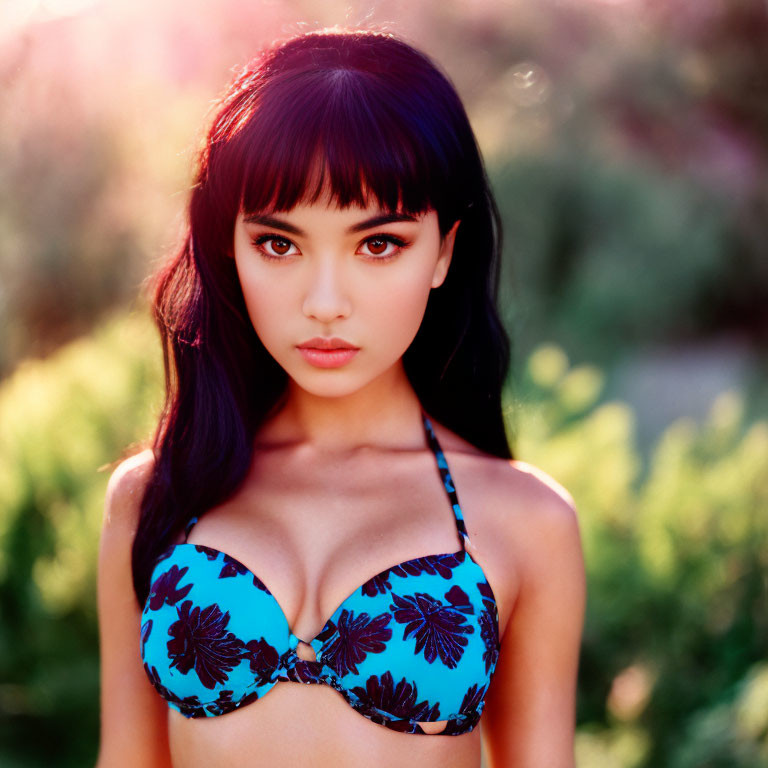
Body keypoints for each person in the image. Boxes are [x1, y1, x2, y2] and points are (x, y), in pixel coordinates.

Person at [96, 25, 586, 768]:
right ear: (229, 244)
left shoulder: (526, 522)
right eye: (280, 244)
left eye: (378, 243)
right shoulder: (157, 494)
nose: (325, 303)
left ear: (444, 251)